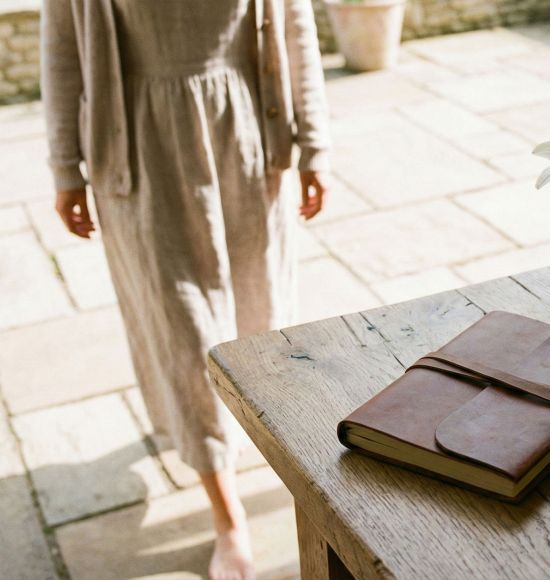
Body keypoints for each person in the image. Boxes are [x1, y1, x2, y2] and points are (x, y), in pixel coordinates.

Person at [41, 0, 330, 577]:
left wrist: (314, 145)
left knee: (261, 320)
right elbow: (63, 49)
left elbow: (296, 26)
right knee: (184, 332)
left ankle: (259, 450)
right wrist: (64, 168)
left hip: (248, 133)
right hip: (138, 147)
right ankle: (227, 515)